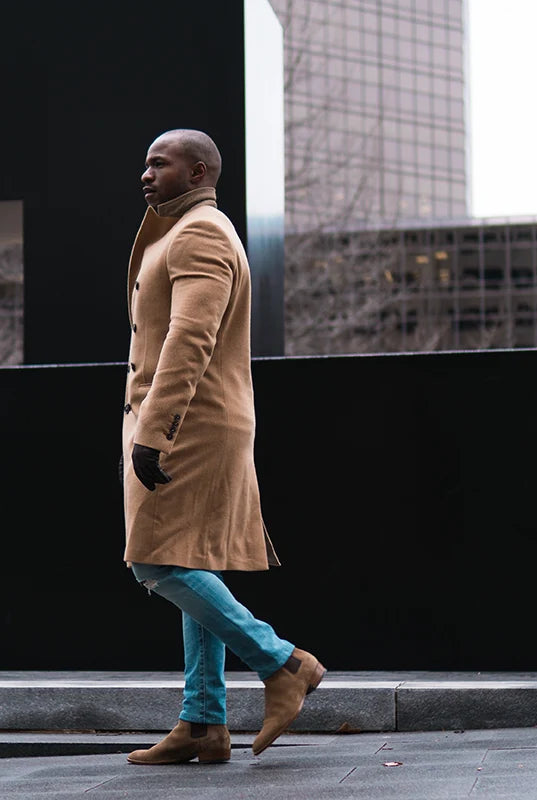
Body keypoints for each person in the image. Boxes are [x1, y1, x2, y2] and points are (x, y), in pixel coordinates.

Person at [120, 128, 325, 765]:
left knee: (154, 560)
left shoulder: (202, 232)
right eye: (146, 164)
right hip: (189, 417)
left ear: (200, 170)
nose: (146, 174)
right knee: (185, 553)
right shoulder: (177, 230)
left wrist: (155, 430)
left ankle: (282, 662)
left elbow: (190, 337)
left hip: (191, 422)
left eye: (161, 163)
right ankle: (204, 722)